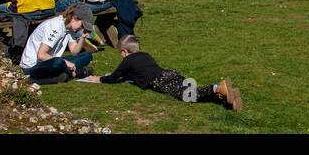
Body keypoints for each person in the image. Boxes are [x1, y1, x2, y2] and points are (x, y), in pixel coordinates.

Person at [85, 35, 243, 111]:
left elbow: (114, 77)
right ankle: (227, 98)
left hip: (161, 81)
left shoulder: (127, 61)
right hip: (170, 73)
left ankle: (217, 87)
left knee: (187, 96)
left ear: (125, 52)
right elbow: (140, 71)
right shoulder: (145, 55)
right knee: (191, 91)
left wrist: (100, 79)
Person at [19, 7, 92, 84]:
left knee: (87, 55)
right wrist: (66, 63)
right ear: (74, 18)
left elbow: (74, 52)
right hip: (32, 66)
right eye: (82, 25)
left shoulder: (68, 28)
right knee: (58, 62)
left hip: (50, 62)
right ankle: (72, 73)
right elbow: (41, 55)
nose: (82, 28)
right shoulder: (55, 26)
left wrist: (83, 37)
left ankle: (63, 74)